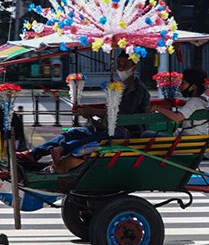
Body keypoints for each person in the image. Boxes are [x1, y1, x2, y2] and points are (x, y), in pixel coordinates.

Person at [16, 51, 151, 163]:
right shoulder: (121, 86)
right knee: (73, 132)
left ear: (134, 66)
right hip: (110, 125)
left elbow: (122, 113)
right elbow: (110, 109)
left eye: (125, 64)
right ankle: (35, 153)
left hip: (130, 131)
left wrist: (93, 111)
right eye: (119, 64)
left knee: (99, 136)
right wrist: (88, 111)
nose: (121, 68)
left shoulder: (137, 88)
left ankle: (63, 149)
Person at [144, 67, 209, 136]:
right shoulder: (205, 100)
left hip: (184, 141)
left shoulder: (194, 102)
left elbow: (178, 117)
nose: (180, 85)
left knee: (145, 134)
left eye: (183, 83)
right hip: (200, 139)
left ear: (193, 87)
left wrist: (157, 108)